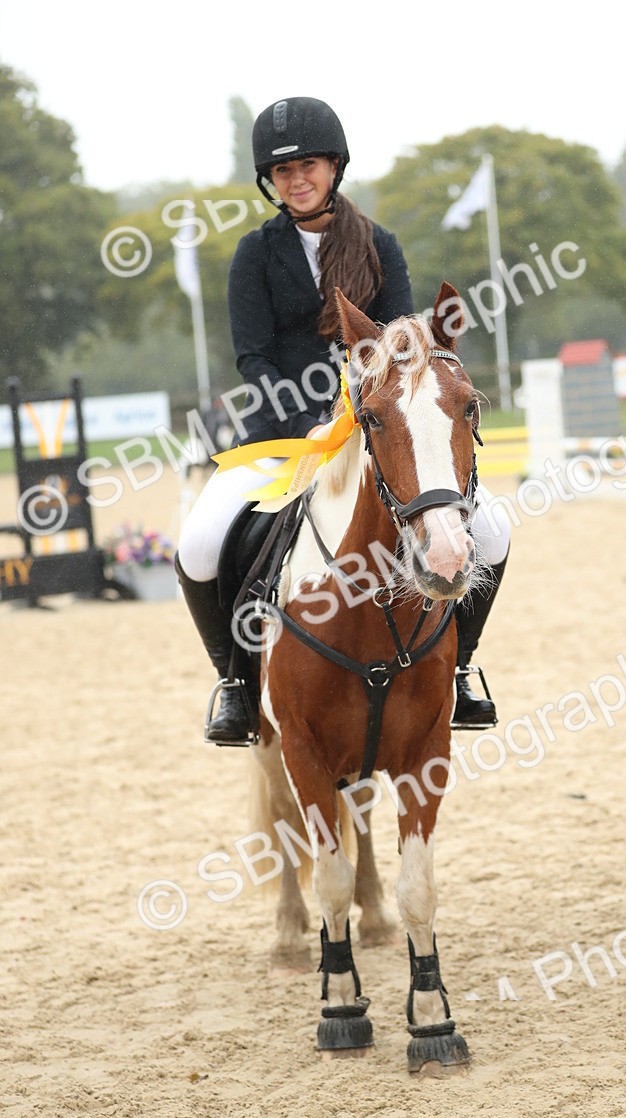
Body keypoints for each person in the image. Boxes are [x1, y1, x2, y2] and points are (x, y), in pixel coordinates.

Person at [175, 96, 509, 744]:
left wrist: (359, 418)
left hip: (377, 433)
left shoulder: (378, 244)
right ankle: (236, 685)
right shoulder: (253, 254)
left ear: (334, 166)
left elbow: (403, 347)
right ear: (269, 183)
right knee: (197, 543)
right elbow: (253, 355)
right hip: (280, 435)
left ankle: (461, 670)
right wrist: (304, 421)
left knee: (491, 531)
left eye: (307, 166)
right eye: (282, 172)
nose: (296, 179)